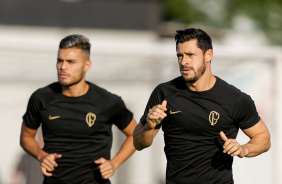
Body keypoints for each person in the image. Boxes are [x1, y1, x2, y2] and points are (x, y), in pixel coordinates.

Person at [133, 28, 271, 184]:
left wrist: (244, 149)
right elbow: (139, 143)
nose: (183, 61)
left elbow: (263, 138)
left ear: (208, 55)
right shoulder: (164, 93)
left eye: (190, 55)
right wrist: (149, 127)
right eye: (180, 55)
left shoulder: (235, 99)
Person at [20, 34, 137, 184]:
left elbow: (135, 134)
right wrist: (41, 156)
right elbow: (26, 137)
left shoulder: (107, 101)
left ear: (87, 66)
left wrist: (114, 163)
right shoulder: (41, 98)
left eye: (71, 62)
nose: (63, 67)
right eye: (60, 61)